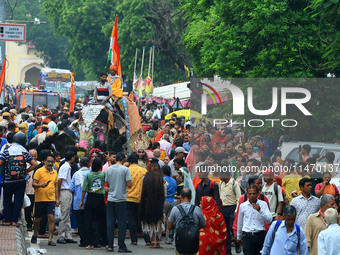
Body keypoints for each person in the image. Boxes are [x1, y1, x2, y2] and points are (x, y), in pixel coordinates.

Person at [0, 132, 37, 226]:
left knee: (7, 200)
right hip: (20, 181)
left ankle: (7, 220)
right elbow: (35, 164)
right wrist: (26, 171)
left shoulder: (7, 151)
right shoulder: (24, 152)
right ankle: (14, 221)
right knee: (18, 200)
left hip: (8, 181)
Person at [106, 152, 132, 253]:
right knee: (122, 224)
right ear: (124, 159)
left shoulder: (109, 169)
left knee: (110, 223)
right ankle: (121, 246)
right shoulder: (125, 169)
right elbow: (129, 184)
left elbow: (107, 182)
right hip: (121, 199)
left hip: (111, 199)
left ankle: (110, 245)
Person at [31, 154, 59, 246]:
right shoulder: (39, 171)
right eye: (48, 161)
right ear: (44, 161)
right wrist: (41, 185)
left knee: (51, 218)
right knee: (37, 220)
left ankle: (50, 239)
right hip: (39, 199)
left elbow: (56, 186)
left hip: (51, 199)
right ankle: (35, 233)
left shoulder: (55, 172)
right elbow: (33, 184)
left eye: (52, 162)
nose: (50, 163)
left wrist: (57, 199)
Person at [168, 189, 206, 255]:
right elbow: (203, 224)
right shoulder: (197, 209)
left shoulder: (175, 209)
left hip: (179, 241)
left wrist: (176, 224)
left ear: (180, 197)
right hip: (193, 241)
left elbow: (169, 226)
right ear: (191, 197)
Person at [237, 184, 272, 255]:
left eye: (254, 193)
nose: (252, 195)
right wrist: (238, 236)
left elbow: (269, 220)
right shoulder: (243, 206)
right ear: (247, 194)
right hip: (247, 236)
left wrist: (260, 210)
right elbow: (240, 222)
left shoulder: (263, 204)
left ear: (258, 194)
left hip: (260, 235)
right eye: (250, 194)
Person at [80, 157, 107, 250]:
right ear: (101, 166)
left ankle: (89, 243)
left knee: (88, 221)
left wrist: (82, 201)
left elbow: (84, 189)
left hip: (90, 198)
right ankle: (104, 241)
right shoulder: (103, 175)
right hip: (100, 199)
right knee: (102, 220)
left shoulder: (88, 175)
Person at [140, 159, 166, 249]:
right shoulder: (162, 181)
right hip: (159, 204)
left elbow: (143, 192)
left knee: (151, 223)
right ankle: (157, 241)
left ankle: (153, 241)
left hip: (148, 204)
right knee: (159, 222)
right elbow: (165, 194)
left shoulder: (146, 179)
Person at [69, 157, 91, 247]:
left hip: (78, 202)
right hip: (89, 201)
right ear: (89, 164)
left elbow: (71, 188)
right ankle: (89, 240)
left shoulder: (76, 174)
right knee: (88, 222)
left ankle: (83, 241)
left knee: (80, 223)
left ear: (80, 164)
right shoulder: (91, 174)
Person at [126, 154, 148, 245]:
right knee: (143, 219)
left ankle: (134, 240)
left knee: (131, 220)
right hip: (141, 198)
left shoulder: (126, 170)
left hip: (129, 198)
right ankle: (148, 240)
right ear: (137, 162)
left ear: (129, 162)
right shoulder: (143, 170)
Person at [219, 169, 241, 255]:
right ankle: (227, 251)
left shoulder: (234, 184)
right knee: (225, 230)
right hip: (224, 209)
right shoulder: (221, 183)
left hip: (232, 208)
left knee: (233, 229)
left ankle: (237, 243)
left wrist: (236, 211)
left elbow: (238, 199)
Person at [57, 151, 77, 244]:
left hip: (66, 191)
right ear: (72, 157)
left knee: (67, 214)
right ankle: (61, 235)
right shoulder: (66, 167)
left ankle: (68, 235)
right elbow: (60, 179)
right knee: (64, 214)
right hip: (64, 191)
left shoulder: (66, 166)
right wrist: (58, 191)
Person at [162, 165, 177, 244]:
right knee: (169, 220)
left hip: (164, 201)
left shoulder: (162, 180)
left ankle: (158, 237)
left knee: (161, 219)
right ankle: (168, 239)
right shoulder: (173, 180)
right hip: (172, 202)